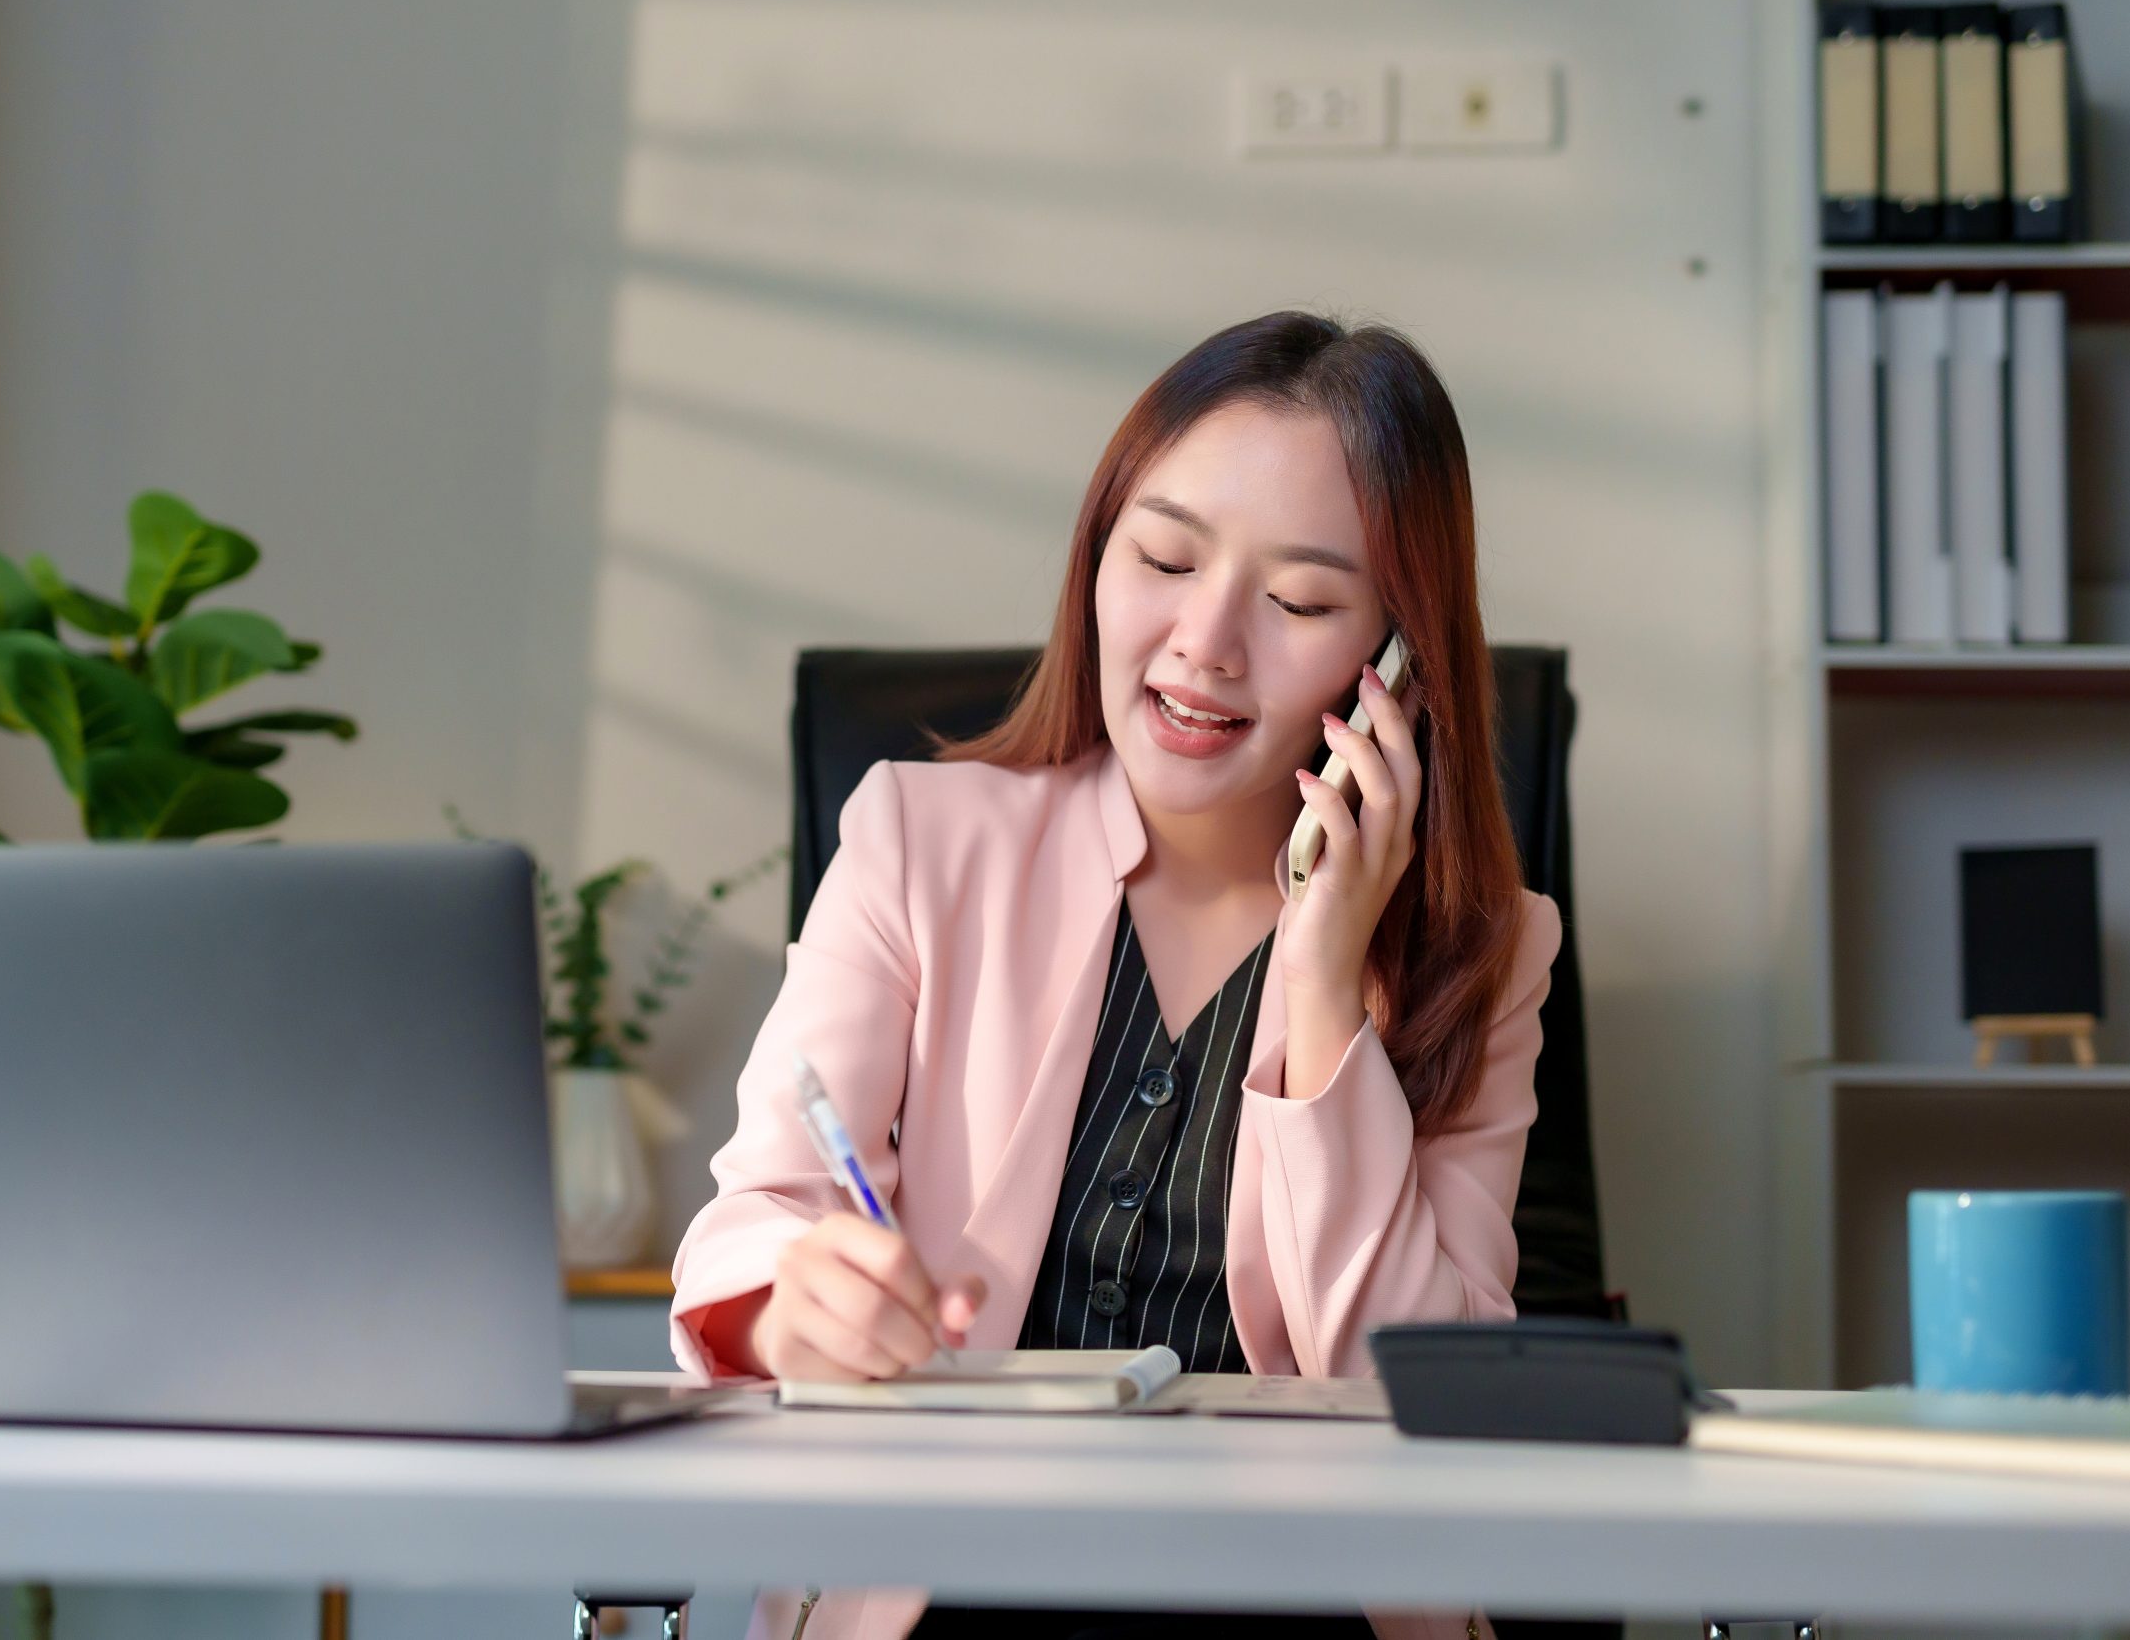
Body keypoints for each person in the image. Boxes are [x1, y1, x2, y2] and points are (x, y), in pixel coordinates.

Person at [669, 311, 1561, 1640]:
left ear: (1400, 668)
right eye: (1164, 557)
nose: (1204, 642)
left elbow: (1427, 1396)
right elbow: (764, 1215)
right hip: (951, 1594)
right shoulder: (921, 840)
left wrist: (1321, 996)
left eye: (1303, 601)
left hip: (1302, 1609)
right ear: (1097, 556)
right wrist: (796, 1304)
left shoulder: (1487, 951)